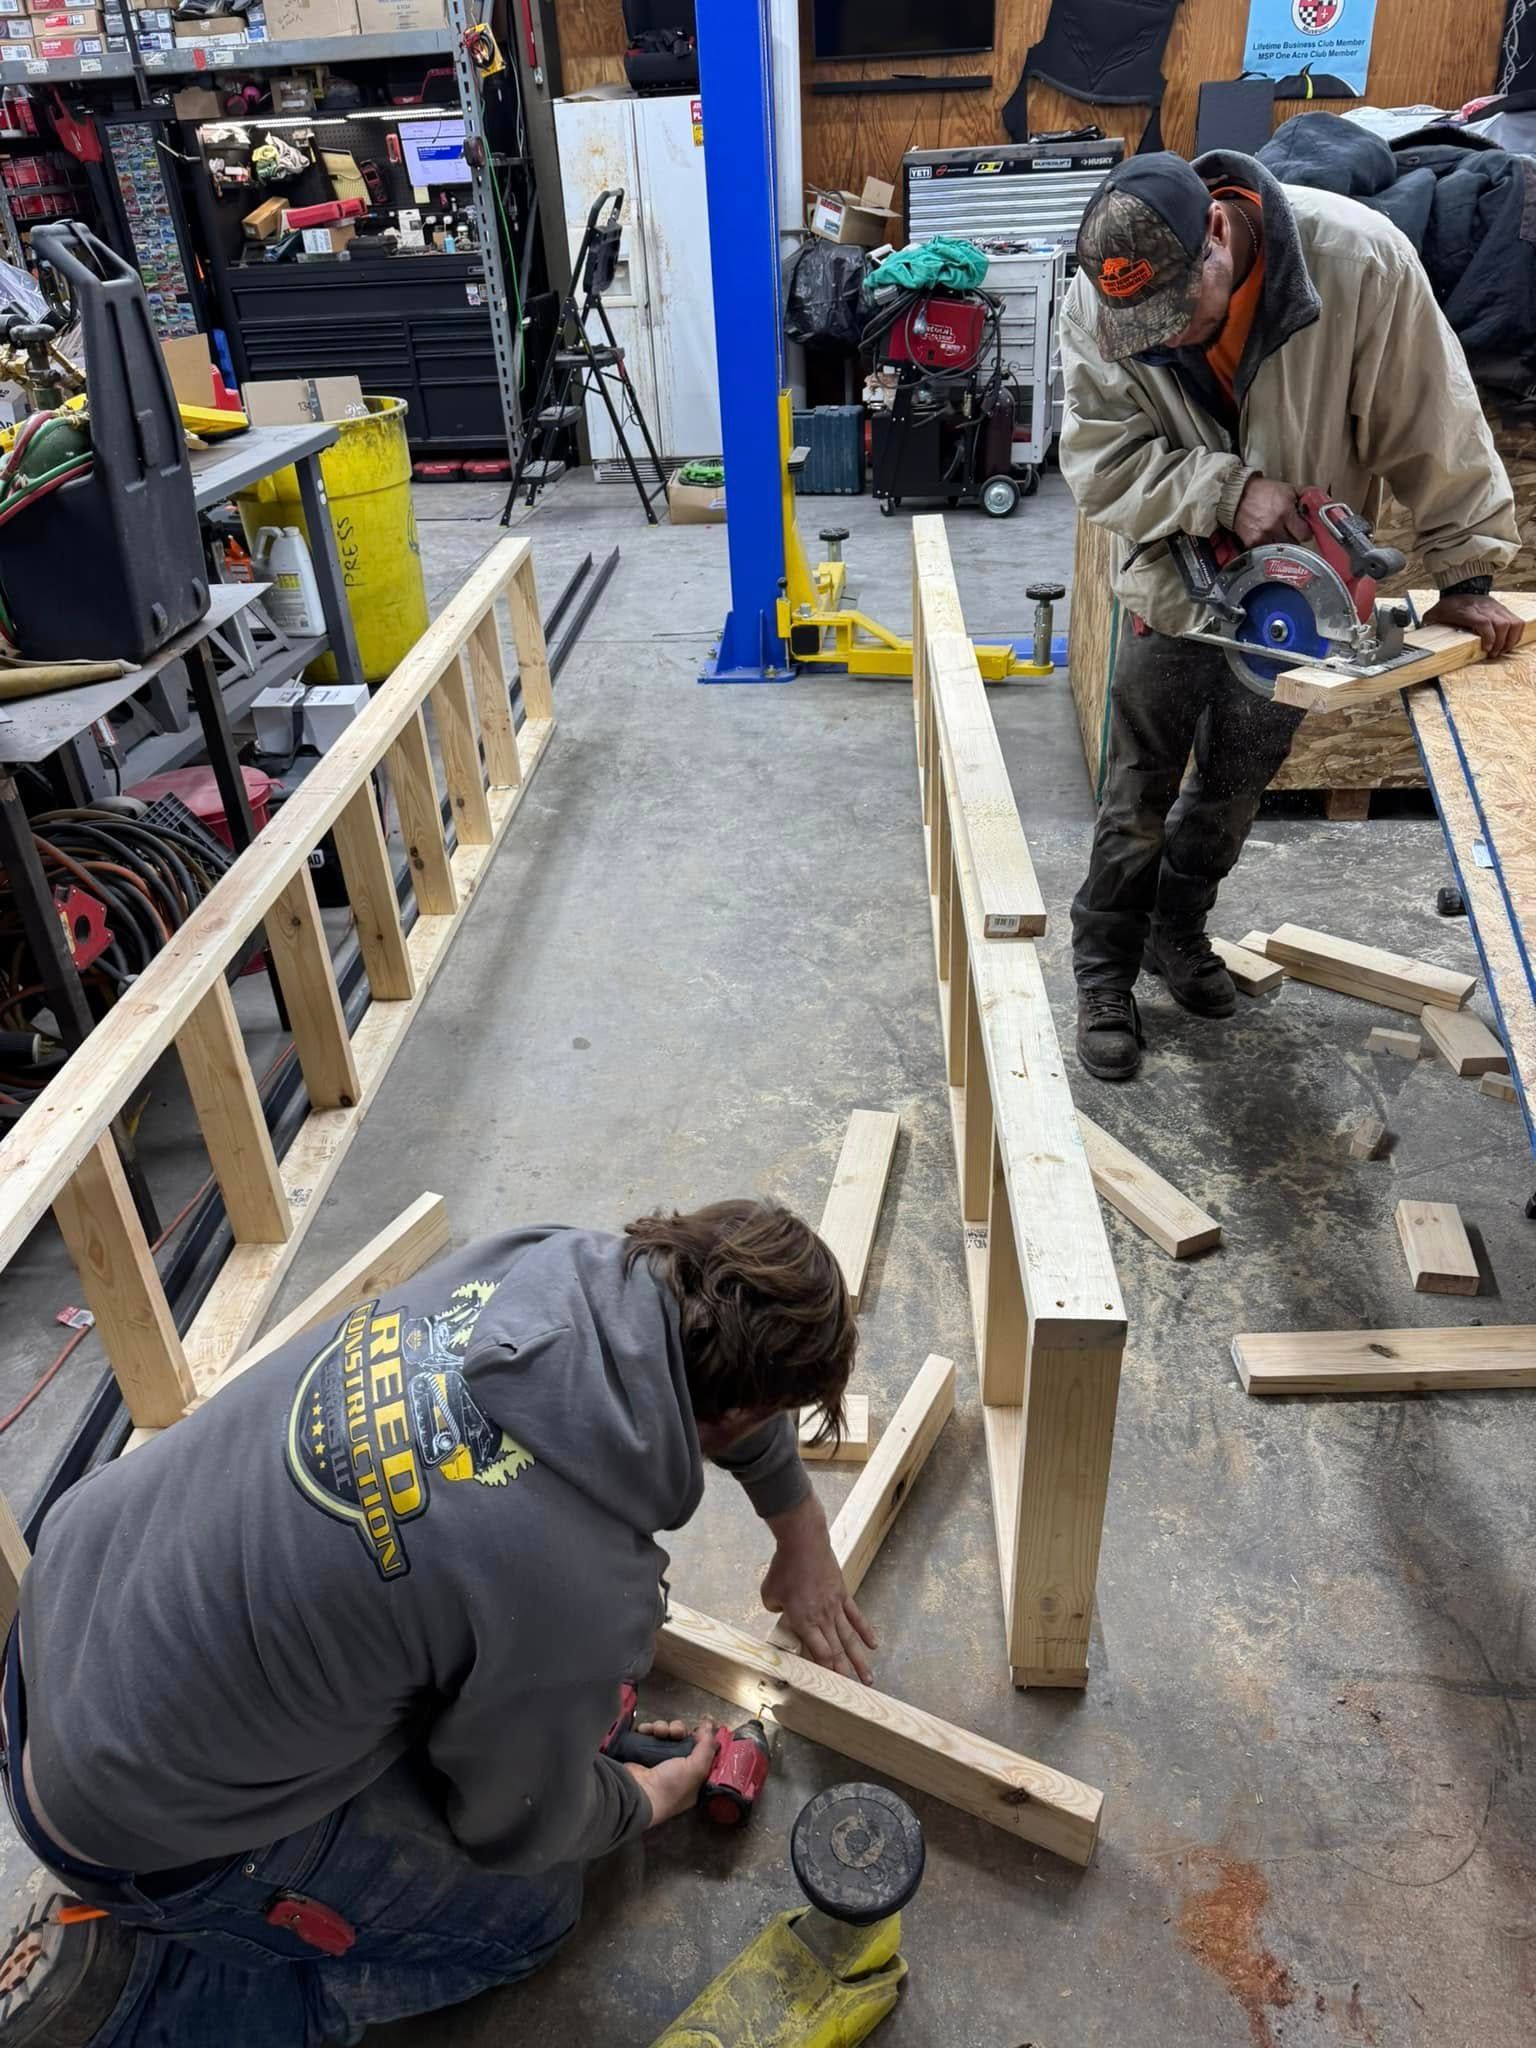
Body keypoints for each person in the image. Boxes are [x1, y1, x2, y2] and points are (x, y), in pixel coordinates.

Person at [0, 1200, 866, 2045]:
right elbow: (514, 1825)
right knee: (534, 1907)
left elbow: (714, 1390)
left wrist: (802, 1529)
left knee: (454, 1653)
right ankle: (153, 1998)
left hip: (67, 1614)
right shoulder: (583, 1585)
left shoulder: (537, 1264)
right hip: (126, 1817)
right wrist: (638, 1801)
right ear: (746, 1411)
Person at [1057, 150, 1523, 1083]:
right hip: (1174, 580)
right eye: (1139, 332)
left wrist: (1467, 568)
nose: (1162, 344)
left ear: (1220, 237)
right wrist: (1228, 491)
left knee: (1234, 785)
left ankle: (1177, 937)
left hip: (1300, 604)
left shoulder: (1359, 264)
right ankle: (1104, 970)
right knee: (1138, 790)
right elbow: (1100, 459)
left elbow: (1434, 419)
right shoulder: (1100, 304)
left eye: (1179, 321)